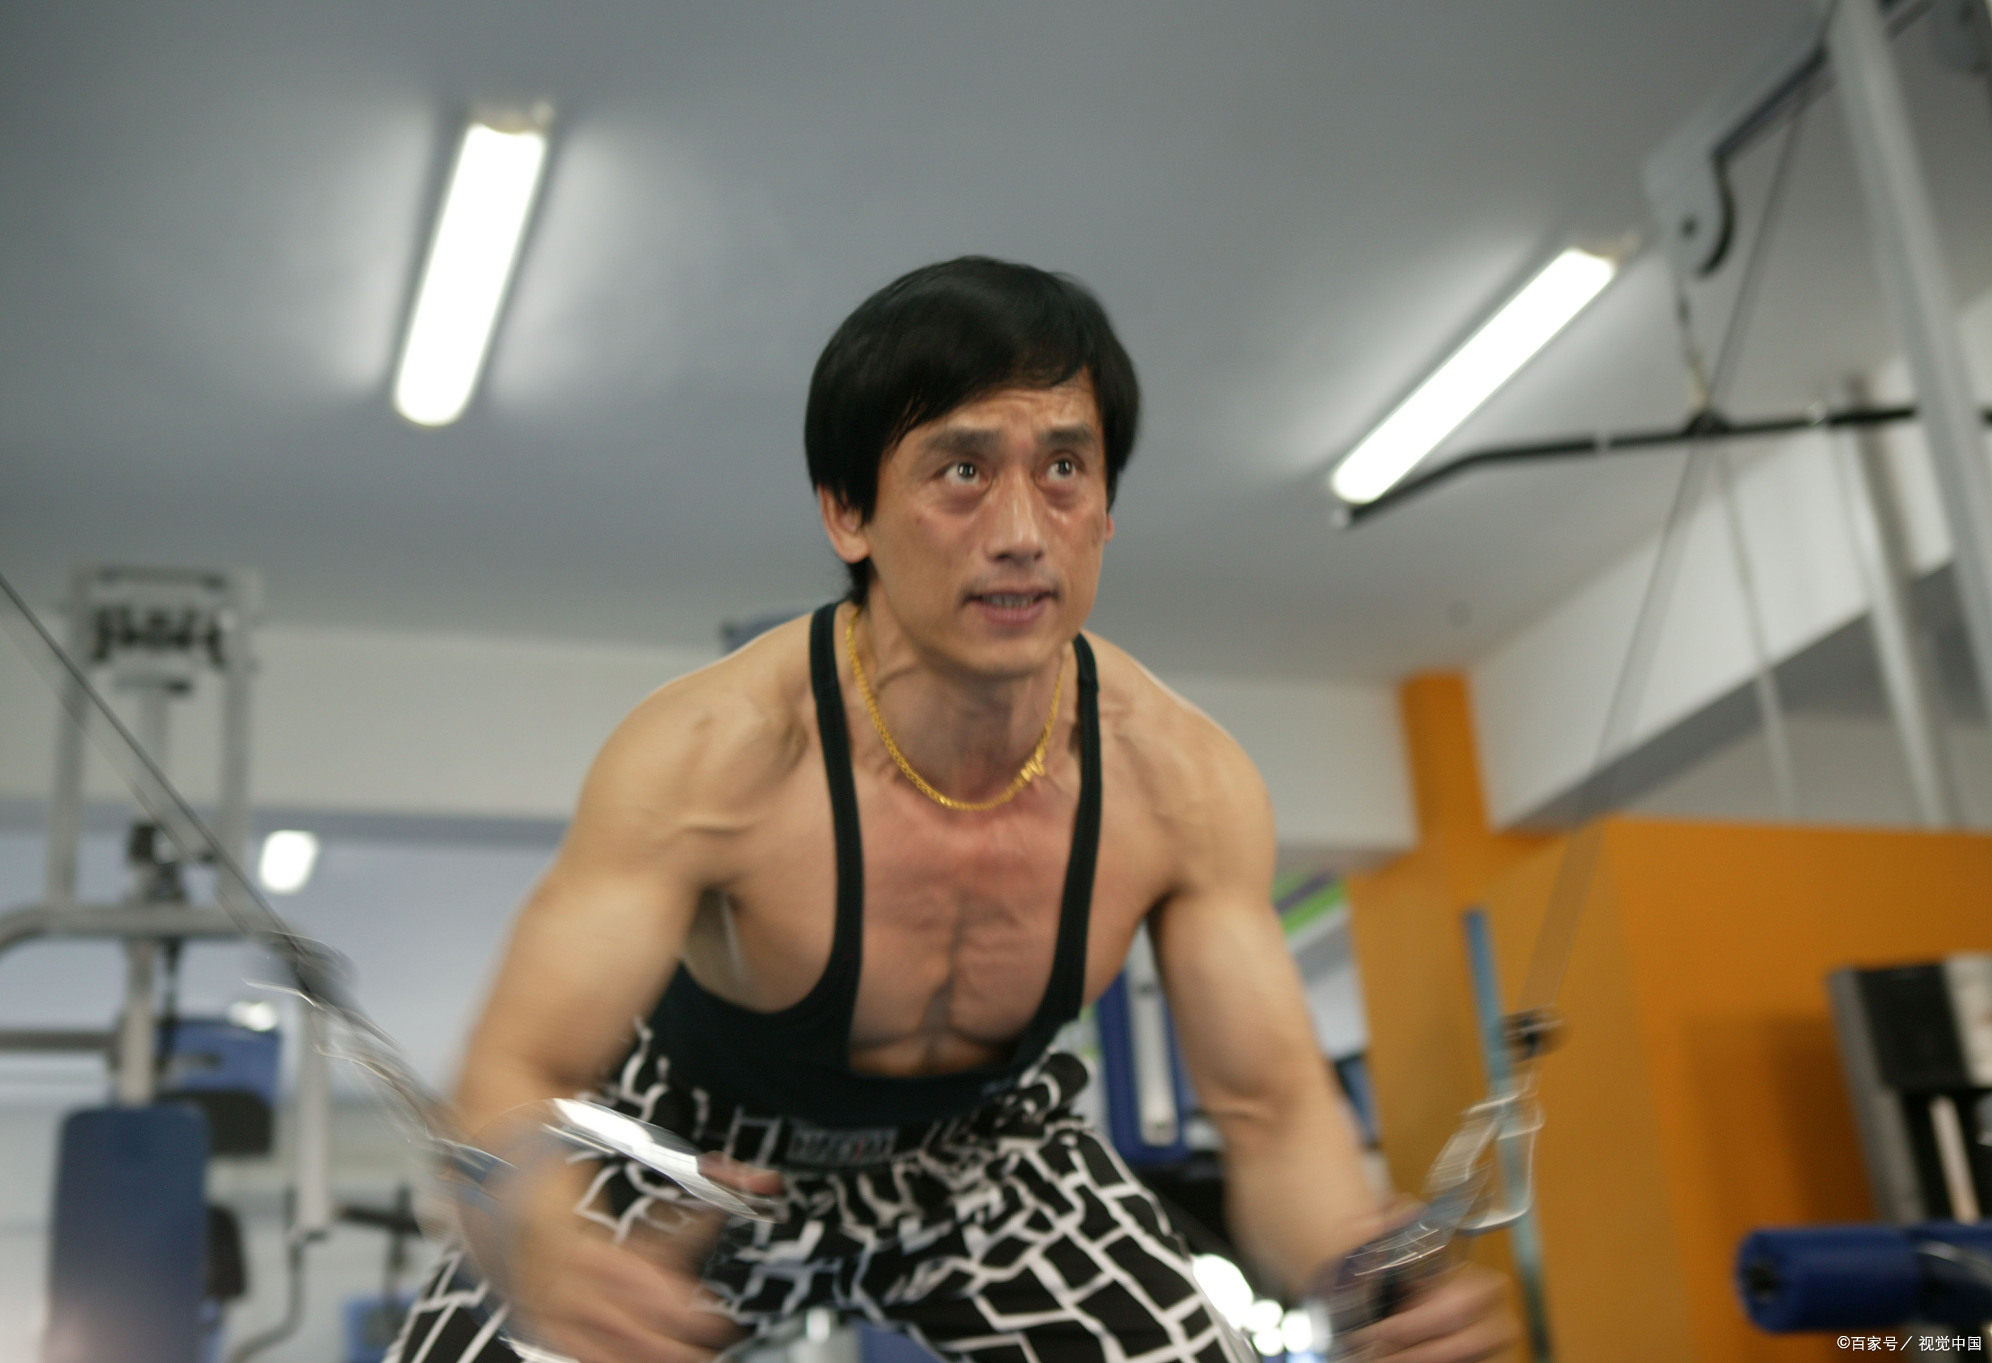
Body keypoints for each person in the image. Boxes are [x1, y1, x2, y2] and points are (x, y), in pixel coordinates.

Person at [391, 258, 1514, 1363]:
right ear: (848, 514)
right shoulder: (713, 756)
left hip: (982, 1157)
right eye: (962, 471)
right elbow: (513, 1069)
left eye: (1064, 467)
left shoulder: (1178, 784)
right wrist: (540, 1241)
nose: (1022, 529)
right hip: (690, 1146)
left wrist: (1362, 1280)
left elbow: (1271, 1111)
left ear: (1105, 509)